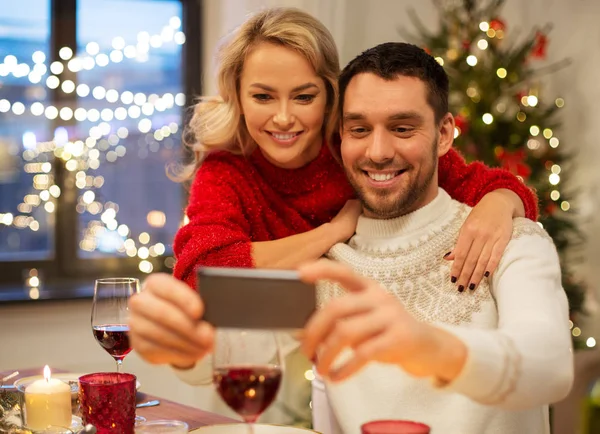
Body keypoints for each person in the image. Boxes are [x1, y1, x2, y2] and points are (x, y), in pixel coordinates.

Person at [297, 42, 573, 434]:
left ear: (444, 134)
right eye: (359, 129)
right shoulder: (327, 266)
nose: (377, 151)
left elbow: (549, 368)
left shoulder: (511, 239)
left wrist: (431, 347)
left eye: (402, 128)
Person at [171, 7, 538, 297]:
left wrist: (500, 203)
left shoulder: (358, 148)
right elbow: (201, 274)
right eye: (263, 96)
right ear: (237, 95)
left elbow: (496, 186)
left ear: (330, 94)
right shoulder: (226, 171)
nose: (283, 118)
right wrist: (334, 232)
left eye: (304, 96)